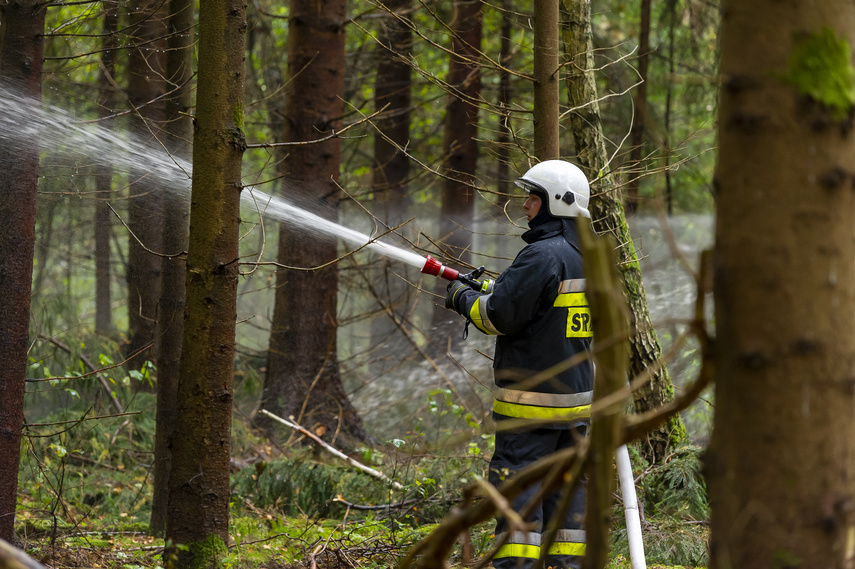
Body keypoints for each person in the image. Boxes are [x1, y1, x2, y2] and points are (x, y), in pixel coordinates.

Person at [444, 160, 594, 569]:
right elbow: (542, 305)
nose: (525, 205)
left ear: (557, 202)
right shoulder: (587, 256)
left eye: (533, 197)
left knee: (519, 496)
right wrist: (495, 287)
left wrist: (462, 297)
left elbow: (499, 316)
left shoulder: (542, 254)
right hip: (576, 409)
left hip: (531, 410)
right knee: (567, 499)